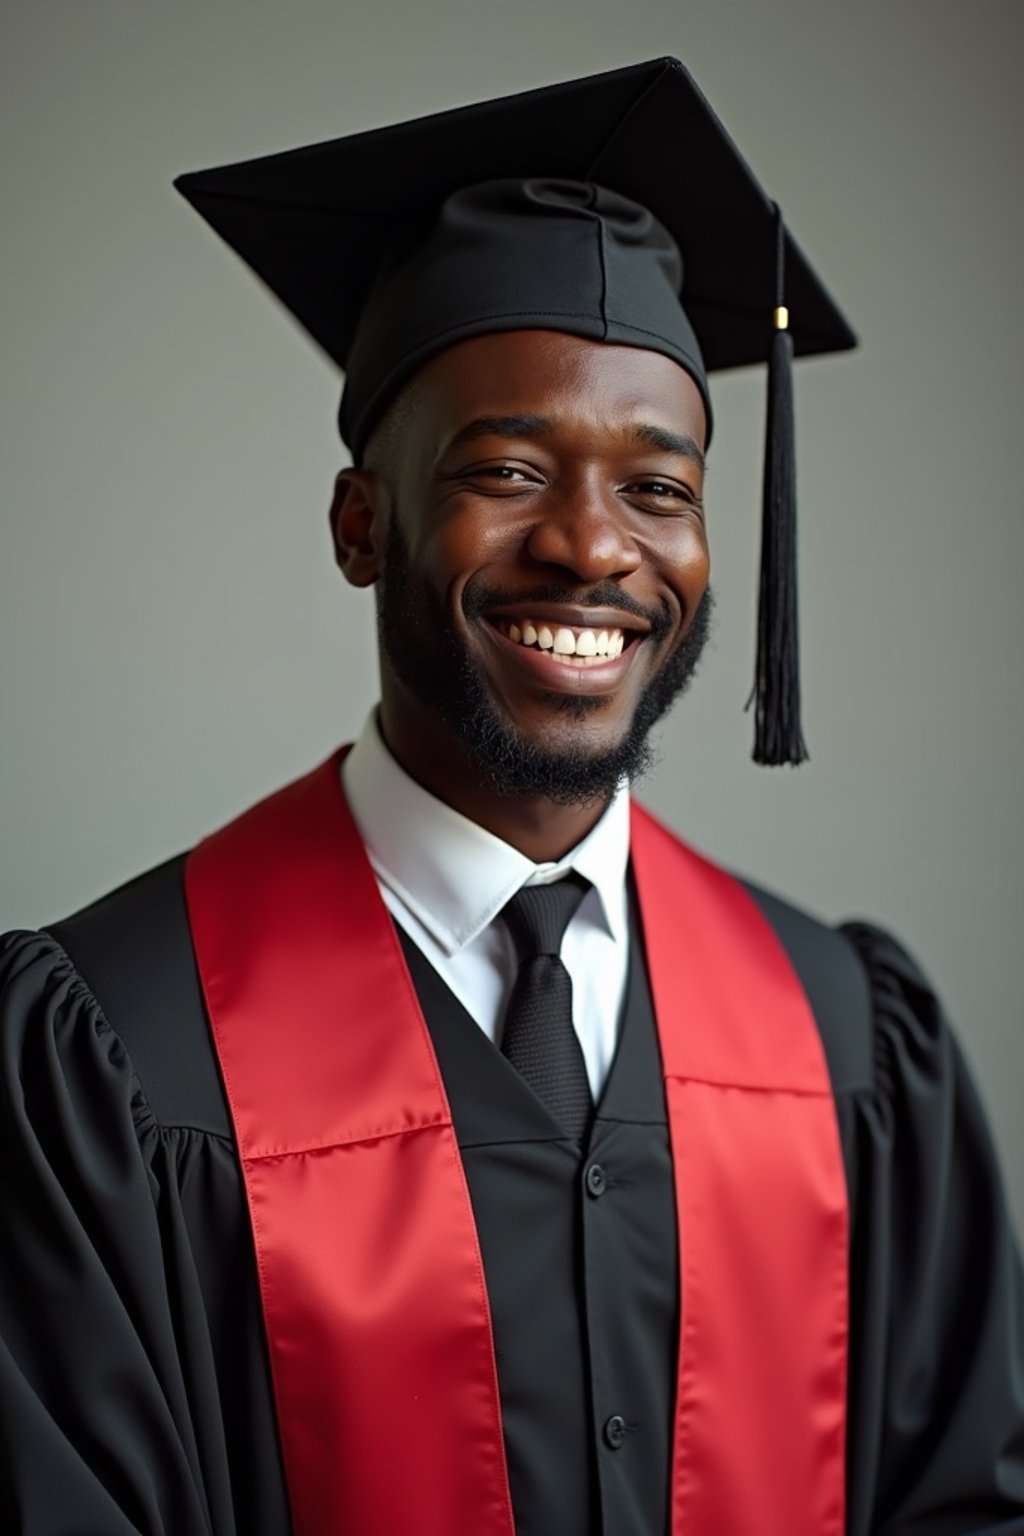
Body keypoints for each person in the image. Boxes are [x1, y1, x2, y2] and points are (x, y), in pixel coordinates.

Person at [1, 56, 1021, 1536]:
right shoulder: (113, 1056)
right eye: (511, 467)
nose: (592, 549)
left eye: (658, 490)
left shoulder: (848, 1037)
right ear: (364, 524)